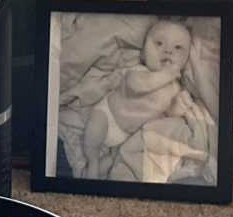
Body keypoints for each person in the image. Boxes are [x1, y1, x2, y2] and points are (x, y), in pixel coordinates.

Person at [61, 19, 195, 180]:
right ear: (142, 54)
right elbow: (138, 86)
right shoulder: (138, 72)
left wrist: (178, 106)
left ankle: (96, 174)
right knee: (94, 131)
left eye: (178, 47)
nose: (167, 51)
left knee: (114, 161)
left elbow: (168, 116)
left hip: (127, 136)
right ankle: (92, 162)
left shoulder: (175, 90)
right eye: (159, 43)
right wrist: (166, 74)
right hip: (108, 114)